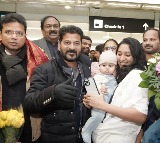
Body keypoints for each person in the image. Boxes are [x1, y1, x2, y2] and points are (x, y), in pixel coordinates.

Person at [24, 25, 91, 143]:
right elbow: (29, 103)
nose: (72, 47)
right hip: (54, 137)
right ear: (59, 45)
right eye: (67, 43)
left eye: (76, 43)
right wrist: (52, 93)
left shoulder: (86, 69)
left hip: (82, 136)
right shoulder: (44, 70)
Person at [84, 37, 149, 143]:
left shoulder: (137, 75)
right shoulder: (120, 75)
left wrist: (102, 105)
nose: (122, 58)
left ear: (136, 56)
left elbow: (140, 115)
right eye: (119, 54)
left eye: (128, 55)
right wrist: (91, 102)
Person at [0, 13, 48, 143]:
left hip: (29, 122)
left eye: (19, 33)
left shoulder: (38, 60)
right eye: (8, 32)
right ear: (0, 34)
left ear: (25, 35)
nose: (14, 37)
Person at [82, 50, 117, 143]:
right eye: (104, 65)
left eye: (111, 65)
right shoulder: (96, 77)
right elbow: (90, 89)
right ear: (99, 66)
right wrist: (99, 90)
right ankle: (86, 131)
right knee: (97, 116)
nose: (107, 68)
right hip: (98, 107)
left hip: (108, 108)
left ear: (115, 67)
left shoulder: (114, 79)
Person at [136, 28, 160, 143]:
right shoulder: (136, 64)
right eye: (145, 40)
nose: (148, 42)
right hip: (135, 122)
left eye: (152, 39)